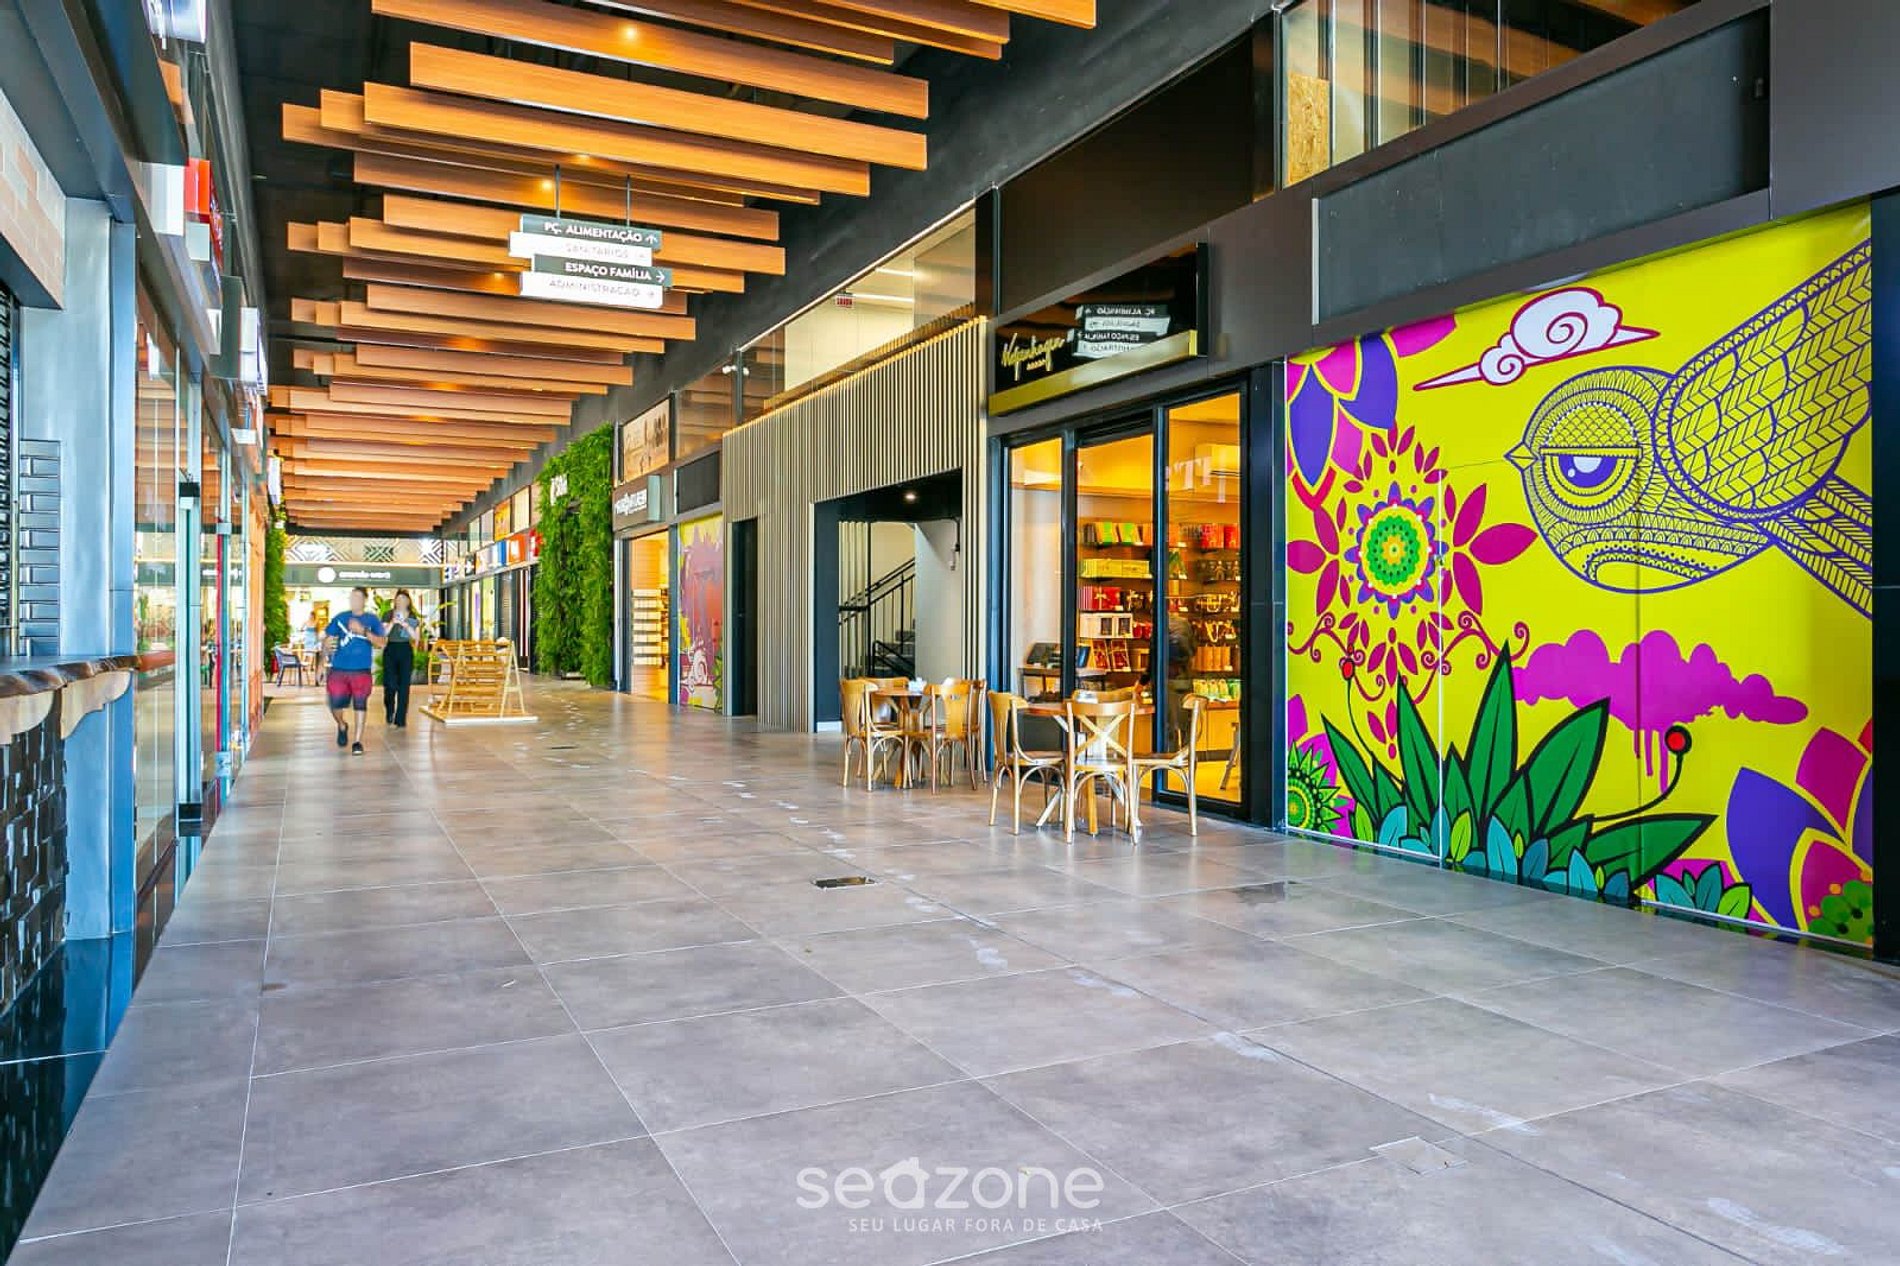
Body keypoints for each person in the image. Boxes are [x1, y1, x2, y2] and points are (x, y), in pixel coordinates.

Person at [324, 587, 388, 755]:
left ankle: (357, 741)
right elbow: (327, 640)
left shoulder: (372, 620)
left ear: (364, 600)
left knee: (361, 704)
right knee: (335, 704)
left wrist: (363, 631)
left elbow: (382, 642)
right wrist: (323, 653)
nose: (354, 600)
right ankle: (341, 724)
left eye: (358, 597)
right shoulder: (340, 618)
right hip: (339, 669)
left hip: (361, 670)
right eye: (352, 597)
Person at [382, 590, 423, 729]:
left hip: (405, 650)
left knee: (404, 686)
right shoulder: (388, 614)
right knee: (390, 684)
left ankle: (400, 719)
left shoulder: (412, 616)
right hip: (390, 649)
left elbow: (416, 637)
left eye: (404, 599)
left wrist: (406, 626)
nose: (401, 602)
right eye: (398, 599)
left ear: (408, 602)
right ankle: (389, 710)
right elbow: (383, 633)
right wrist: (392, 623)